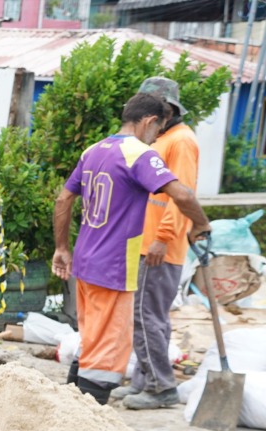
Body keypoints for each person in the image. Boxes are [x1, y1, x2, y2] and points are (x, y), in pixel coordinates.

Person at [52, 93, 211, 405]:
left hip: (84, 261)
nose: (156, 138)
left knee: (92, 338)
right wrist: (202, 224)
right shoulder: (139, 154)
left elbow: (63, 200)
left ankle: (69, 407)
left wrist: (61, 248)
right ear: (150, 121)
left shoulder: (94, 150)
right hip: (114, 266)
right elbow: (184, 195)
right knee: (109, 348)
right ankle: (87, 413)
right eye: (158, 130)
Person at [118, 77, 201, 410]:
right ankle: (144, 381)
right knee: (145, 316)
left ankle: (159, 386)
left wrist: (163, 239)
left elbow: (182, 194)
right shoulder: (166, 138)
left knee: (147, 317)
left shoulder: (180, 141)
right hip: (148, 242)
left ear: (167, 109)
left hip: (159, 247)